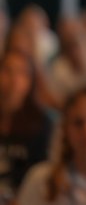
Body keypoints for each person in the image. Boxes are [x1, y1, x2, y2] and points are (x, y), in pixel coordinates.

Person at [0, 50, 53, 200]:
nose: (13, 79)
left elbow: (42, 174)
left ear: (31, 81)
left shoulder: (42, 123)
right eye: (7, 71)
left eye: (21, 73)